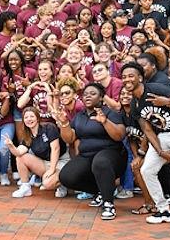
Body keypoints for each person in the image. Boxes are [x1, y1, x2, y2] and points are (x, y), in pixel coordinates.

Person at [122, 62, 170, 231]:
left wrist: (167, 102)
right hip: (163, 135)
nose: (127, 79)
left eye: (131, 75)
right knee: (146, 170)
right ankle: (164, 211)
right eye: (124, 77)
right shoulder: (135, 104)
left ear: (140, 78)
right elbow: (148, 130)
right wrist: (160, 151)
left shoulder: (157, 88)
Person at [54, 83, 126, 219]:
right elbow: (69, 139)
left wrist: (105, 122)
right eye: (85, 94)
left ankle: (108, 203)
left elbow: (119, 135)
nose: (88, 96)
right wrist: (64, 123)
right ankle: (103, 190)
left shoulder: (110, 113)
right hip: (87, 155)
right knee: (66, 177)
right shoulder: (79, 116)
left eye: (93, 94)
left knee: (100, 162)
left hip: (111, 154)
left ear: (101, 98)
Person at [8, 106, 68, 198]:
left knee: (47, 184)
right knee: (21, 157)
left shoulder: (49, 127)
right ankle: (25, 187)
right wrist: (11, 146)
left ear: (37, 118)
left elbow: (55, 149)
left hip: (60, 161)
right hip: (45, 162)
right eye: (26, 117)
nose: (29, 119)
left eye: (32, 116)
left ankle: (62, 185)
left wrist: (52, 169)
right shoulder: (28, 135)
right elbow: (18, 153)